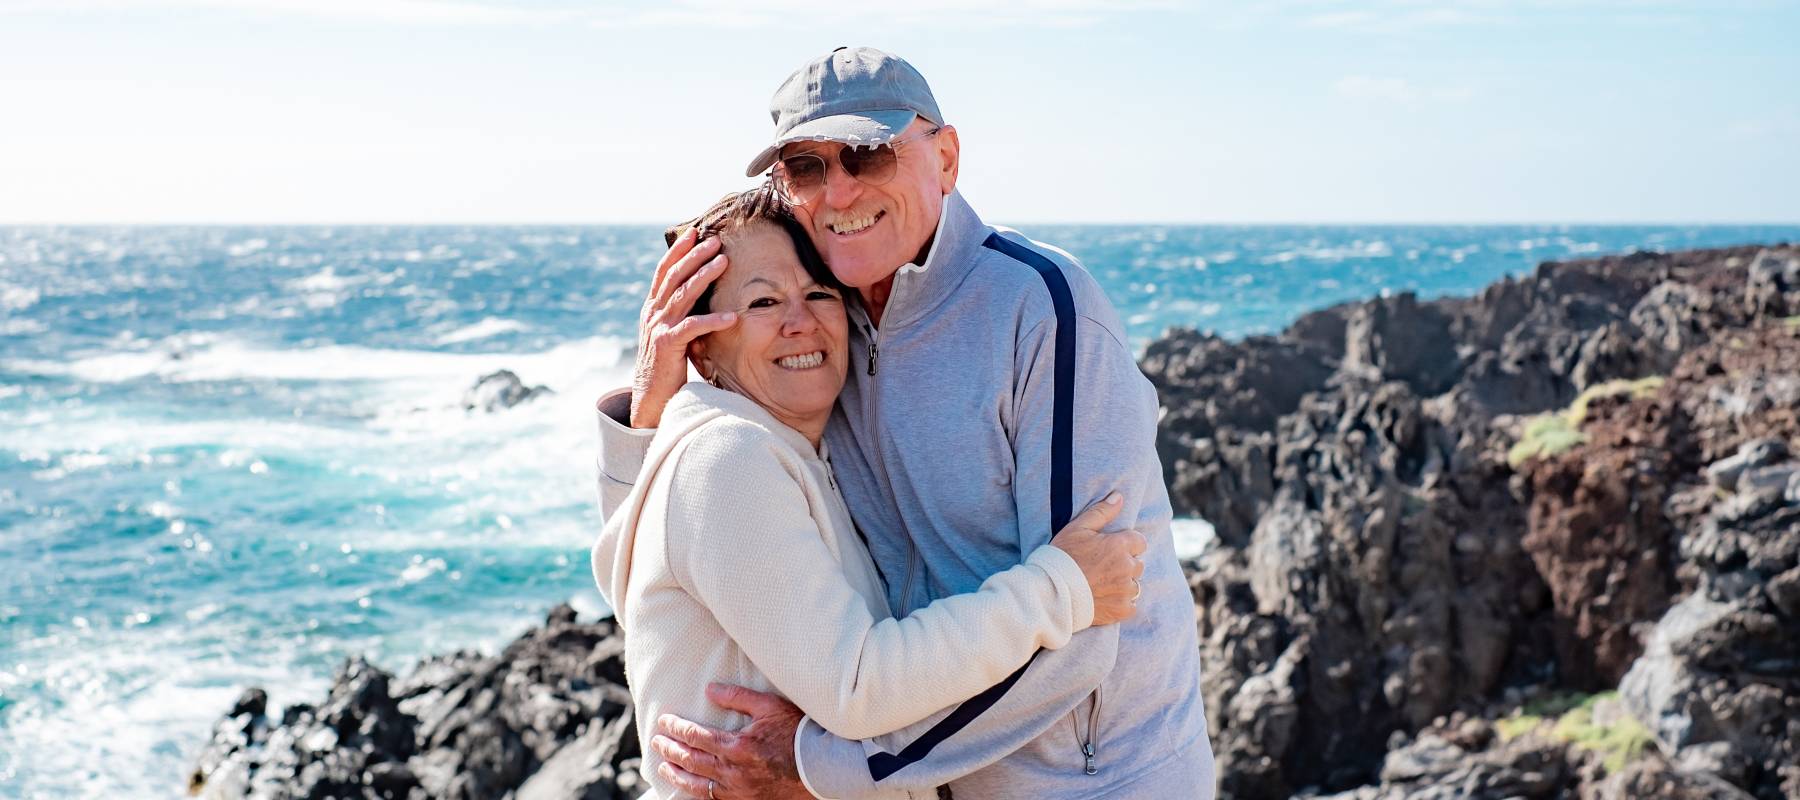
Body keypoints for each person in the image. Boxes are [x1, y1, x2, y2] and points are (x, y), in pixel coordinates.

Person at [596, 48, 1216, 798]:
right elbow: (662, 578)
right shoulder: (826, 337)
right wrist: (650, 418)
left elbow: (1085, 625)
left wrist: (827, 766)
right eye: (806, 167)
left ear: (945, 158)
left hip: (1094, 782)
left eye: (868, 153)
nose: (840, 190)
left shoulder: (1040, 309)